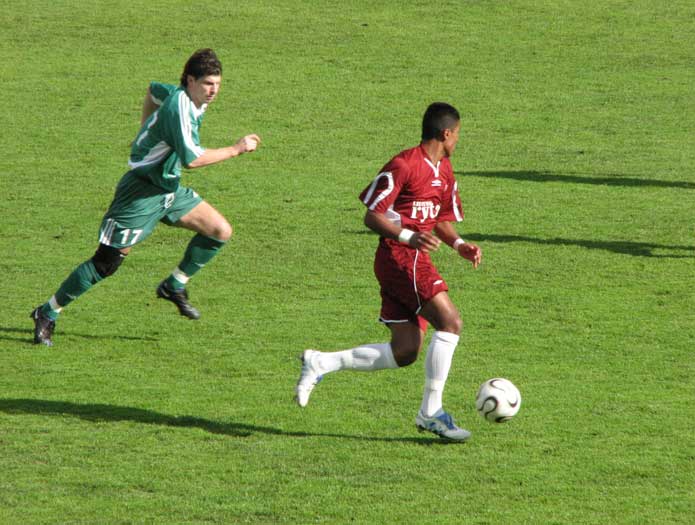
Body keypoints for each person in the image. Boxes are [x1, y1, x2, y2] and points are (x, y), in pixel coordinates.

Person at [30, 48, 261, 346]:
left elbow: (153, 91)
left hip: (168, 188)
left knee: (219, 231)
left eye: (217, 84)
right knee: (106, 263)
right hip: (140, 192)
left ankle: (173, 285)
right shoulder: (180, 108)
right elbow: (192, 159)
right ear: (190, 80)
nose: (213, 90)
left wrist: (144, 130)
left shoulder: (188, 98)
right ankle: (47, 312)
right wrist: (236, 149)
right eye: (207, 83)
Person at [295, 102, 481, 442]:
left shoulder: (444, 168)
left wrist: (459, 245)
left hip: (409, 259)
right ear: (446, 133)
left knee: (405, 350)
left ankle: (321, 362)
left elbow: (440, 218)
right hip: (400, 256)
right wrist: (409, 237)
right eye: (457, 134)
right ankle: (431, 413)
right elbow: (372, 215)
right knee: (451, 322)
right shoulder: (404, 165)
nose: (458, 140)